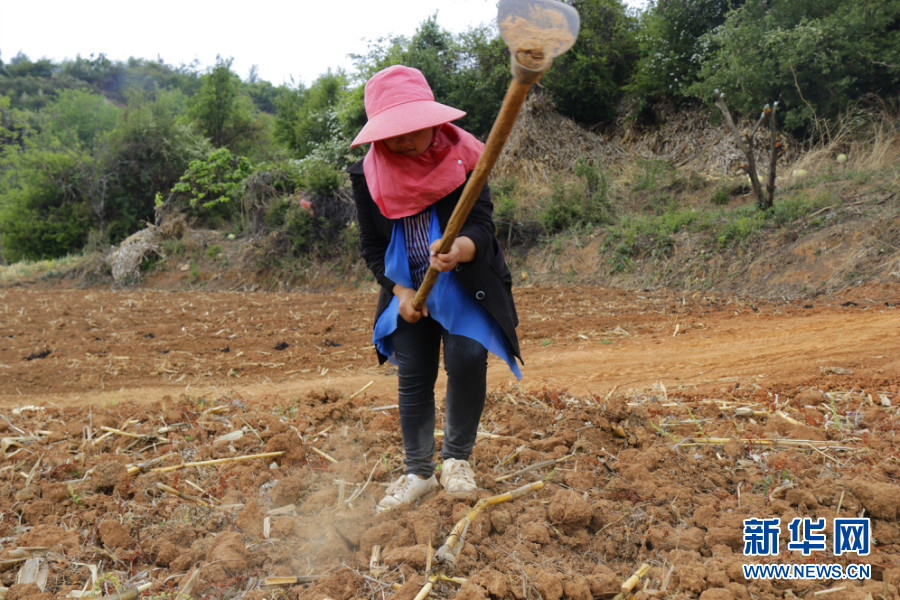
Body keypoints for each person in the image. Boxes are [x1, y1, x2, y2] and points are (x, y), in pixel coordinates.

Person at [348, 65, 522, 512]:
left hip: (464, 281)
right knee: (414, 371)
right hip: (407, 288)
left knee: (466, 358)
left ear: (434, 122)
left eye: (414, 129)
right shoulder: (366, 174)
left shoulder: (467, 159)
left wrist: (459, 249)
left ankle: (457, 459)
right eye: (393, 132)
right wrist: (401, 293)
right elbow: (371, 245)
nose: (404, 140)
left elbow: (483, 226)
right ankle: (419, 470)